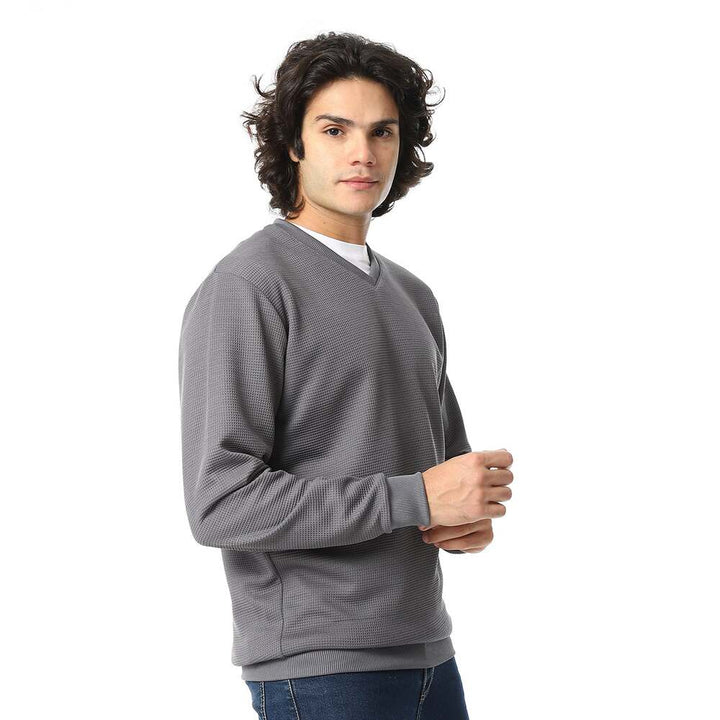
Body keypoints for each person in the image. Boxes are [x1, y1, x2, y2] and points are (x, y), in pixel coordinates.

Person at [178, 31, 514, 720]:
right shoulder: (248, 286)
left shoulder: (414, 295)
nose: (363, 152)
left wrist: (465, 513)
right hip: (319, 670)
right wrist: (415, 498)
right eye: (335, 130)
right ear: (293, 144)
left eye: (382, 131)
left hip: (429, 653)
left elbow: (437, 470)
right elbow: (220, 504)